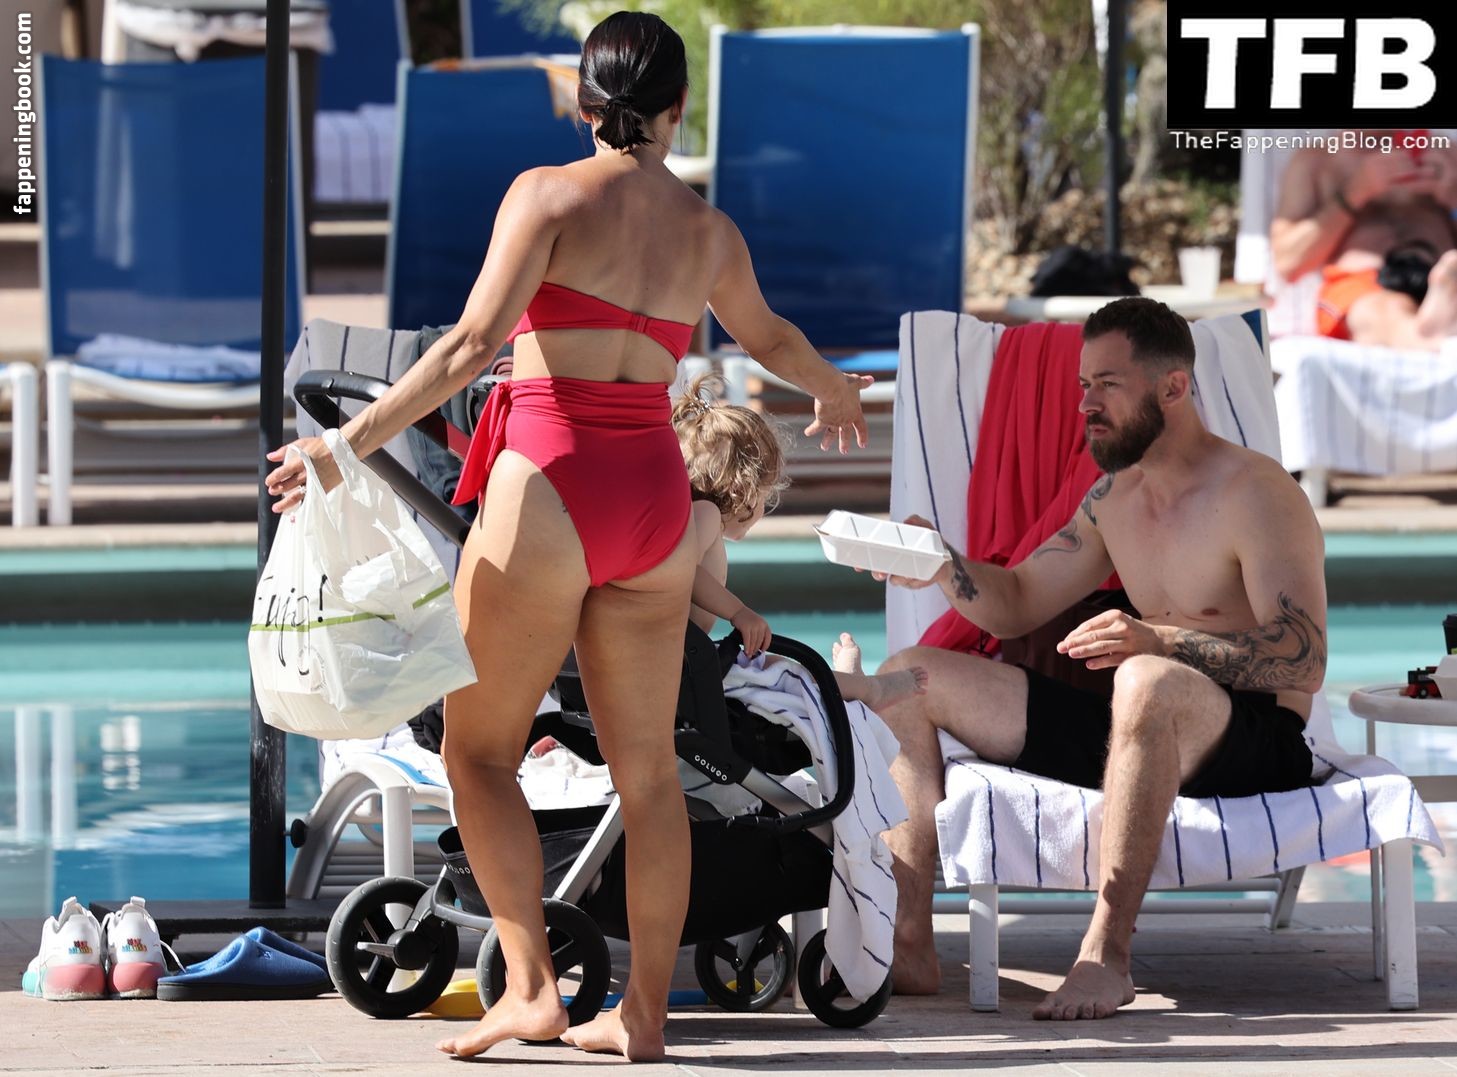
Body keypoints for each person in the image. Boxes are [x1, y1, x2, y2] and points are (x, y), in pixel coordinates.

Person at [265, 11, 871, 1062]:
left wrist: (342, 445)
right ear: (678, 107)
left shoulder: (544, 196)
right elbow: (770, 337)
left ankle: (533, 989)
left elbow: (469, 345)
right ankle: (643, 1015)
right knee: (648, 777)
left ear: (583, 103)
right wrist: (832, 389)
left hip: (550, 482)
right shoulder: (707, 231)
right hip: (652, 498)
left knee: (476, 752)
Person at [867, 297, 1326, 1019]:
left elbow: (1304, 660)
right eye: (1083, 385)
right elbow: (1018, 598)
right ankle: (908, 943)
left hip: (1251, 737)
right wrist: (941, 562)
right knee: (910, 675)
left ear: (1172, 387)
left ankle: (1105, 956)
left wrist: (1162, 643)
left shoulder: (1257, 493)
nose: (1084, 404)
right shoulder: (1113, 496)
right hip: (1136, 724)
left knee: (1144, 677)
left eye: (1107, 384)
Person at [671, 374, 925, 712]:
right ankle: (869, 690)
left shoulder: (699, 521)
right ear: (744, 491)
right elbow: (680, 572)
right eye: (765, 497)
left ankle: (853, 686)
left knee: (782, 669)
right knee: (791, 674)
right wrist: (738, 612)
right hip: (683, 668)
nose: (765, 507)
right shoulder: (704, 514)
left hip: (691, 660)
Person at [1271, 132, 1457, 349]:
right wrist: (1356, 192)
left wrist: (1453, 196)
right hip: (1360, 284)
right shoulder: (1318, 161)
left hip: (1445, 275)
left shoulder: (1446, 153)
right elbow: (1288, 264)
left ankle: (1433, 335)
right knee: (1381, 310)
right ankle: (1429, 341)